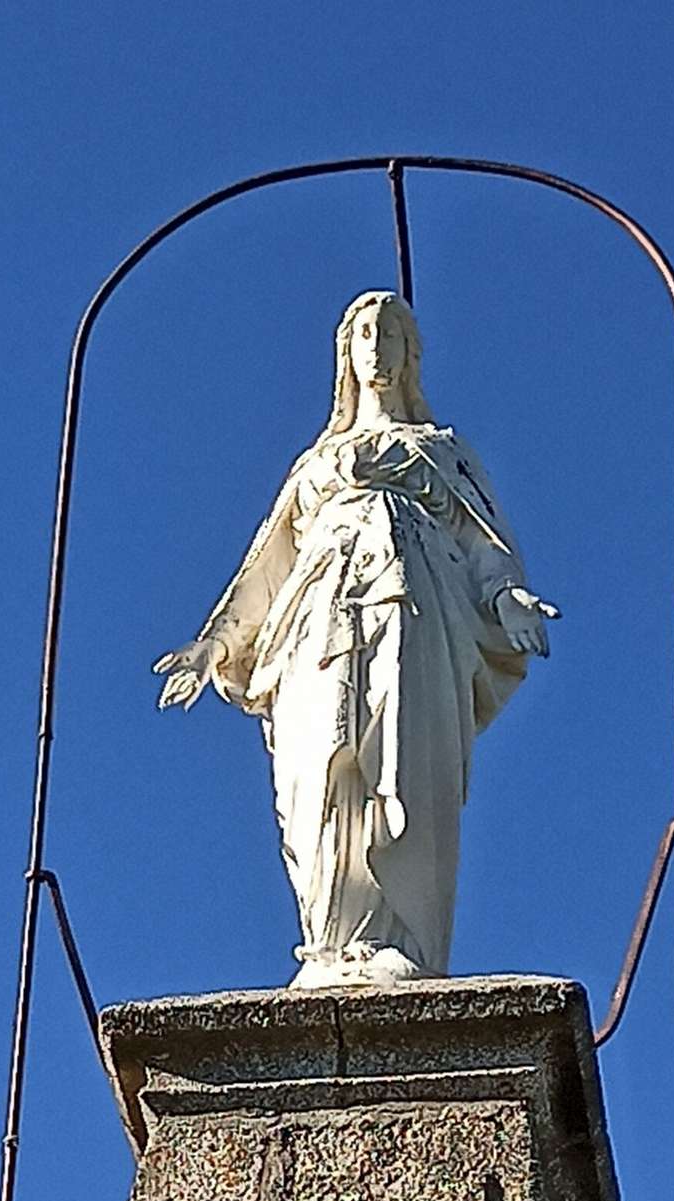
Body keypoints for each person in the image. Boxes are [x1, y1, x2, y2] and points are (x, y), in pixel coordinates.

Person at [156, 290, 558, 988]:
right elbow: (268, 567)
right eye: (363, 334)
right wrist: (214, 644)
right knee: (319, 765)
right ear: (346, 354)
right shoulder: (318, 462)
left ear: (410, 353)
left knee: (402, 755)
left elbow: (480, 541)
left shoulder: (441, 451)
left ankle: (401, 938)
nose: (376, 346)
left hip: (413, 605)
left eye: (390, 333)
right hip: (319, 612)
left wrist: (506, 595)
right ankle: (331, 944)